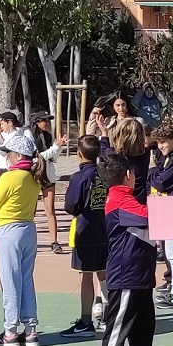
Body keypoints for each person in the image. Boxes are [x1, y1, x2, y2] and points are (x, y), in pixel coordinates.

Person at [94, 155, 160, 346]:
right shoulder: (119, 199)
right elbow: (150, 216)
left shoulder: (126, 198)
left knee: (144, 329)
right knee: (118, 329)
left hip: (141, 275)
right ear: (128, 176)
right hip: (126, 276)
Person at [0, 130, 42, 346]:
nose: (7, 157)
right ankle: (31, 329)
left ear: (17, 155)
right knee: (26, 279)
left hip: (9, 229)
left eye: (9, 153)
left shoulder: (10, 177)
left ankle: (10, 331)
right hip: (28, 228)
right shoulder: (33, 177)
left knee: (10, 281)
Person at [61, 135, 103, 334]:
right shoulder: (105, 173)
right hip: (105, 228)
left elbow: (71, 205)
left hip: (85, 230)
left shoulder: (79, 177)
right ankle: (109, 316)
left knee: (86, 275)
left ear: (79, 154)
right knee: (104, 273)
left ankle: (86, 320)